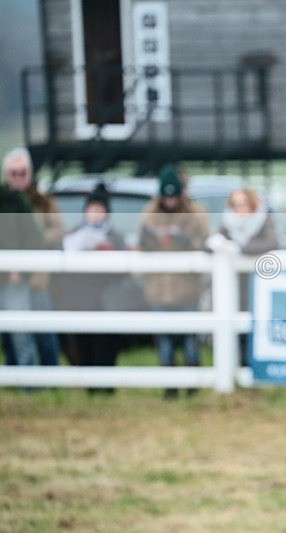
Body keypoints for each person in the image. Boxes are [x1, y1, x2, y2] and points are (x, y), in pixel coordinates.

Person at [138, 164, 209, 399]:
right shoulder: (149, 214)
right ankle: (170, 387)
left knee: (190, 338)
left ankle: (192, 385)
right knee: (164, 340)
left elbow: (205, 245)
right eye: (166, 196)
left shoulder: (196, 214)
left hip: (186, 289)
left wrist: (186, 240)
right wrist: (147, 239)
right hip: (158, 289)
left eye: (174, 195)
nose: (169, 200)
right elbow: (142, 247)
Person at [61, 183, 127, 393]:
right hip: (81, 298)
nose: (95, 214)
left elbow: (124, 268)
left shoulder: (115, 236)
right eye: (92, 208)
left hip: (107, 298)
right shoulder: (74, 234)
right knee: (84, 343)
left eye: (100, 209)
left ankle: (106, 387)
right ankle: (90, 386)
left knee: (106, 345)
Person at [2, 147, 63, 366]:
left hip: (37, 278)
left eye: (23, 172)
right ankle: (19, 379)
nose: (19, 178)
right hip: (9, 277)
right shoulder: (5, 202)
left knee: (44, 330)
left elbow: (57, 230)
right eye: (14, 173)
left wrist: (32, 242)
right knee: (13, 333)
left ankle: (50, 377)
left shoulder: (44, 202)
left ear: (30, 172)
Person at [206, 187, 278, 365]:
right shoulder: (228, 221)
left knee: (255, 324)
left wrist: (240, 249)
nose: (239, 208)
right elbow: (213, 242)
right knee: (235, 325)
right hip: (235, 286)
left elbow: (271, 242)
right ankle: (238, 364)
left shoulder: (263, 219)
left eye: (243, 203)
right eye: (235, 204)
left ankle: (252, 366)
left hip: (258, 282)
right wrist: (215, 243)